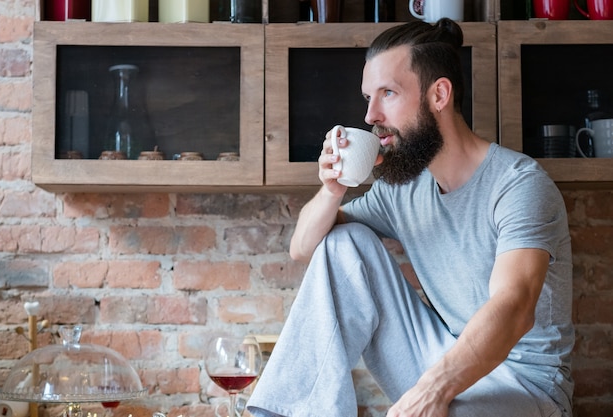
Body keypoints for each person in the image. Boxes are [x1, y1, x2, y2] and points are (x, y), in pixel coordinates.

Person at [246, 18, 574, 417]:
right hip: (443, 359)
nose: (370, 115)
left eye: (388, 93)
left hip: (525, 385)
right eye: (368, 97)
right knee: (344, 242)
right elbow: (304, 249)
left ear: (439, 94)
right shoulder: (402, 191)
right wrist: (334, 190)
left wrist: (432, 390)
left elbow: (514, 307)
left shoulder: (519, 185)